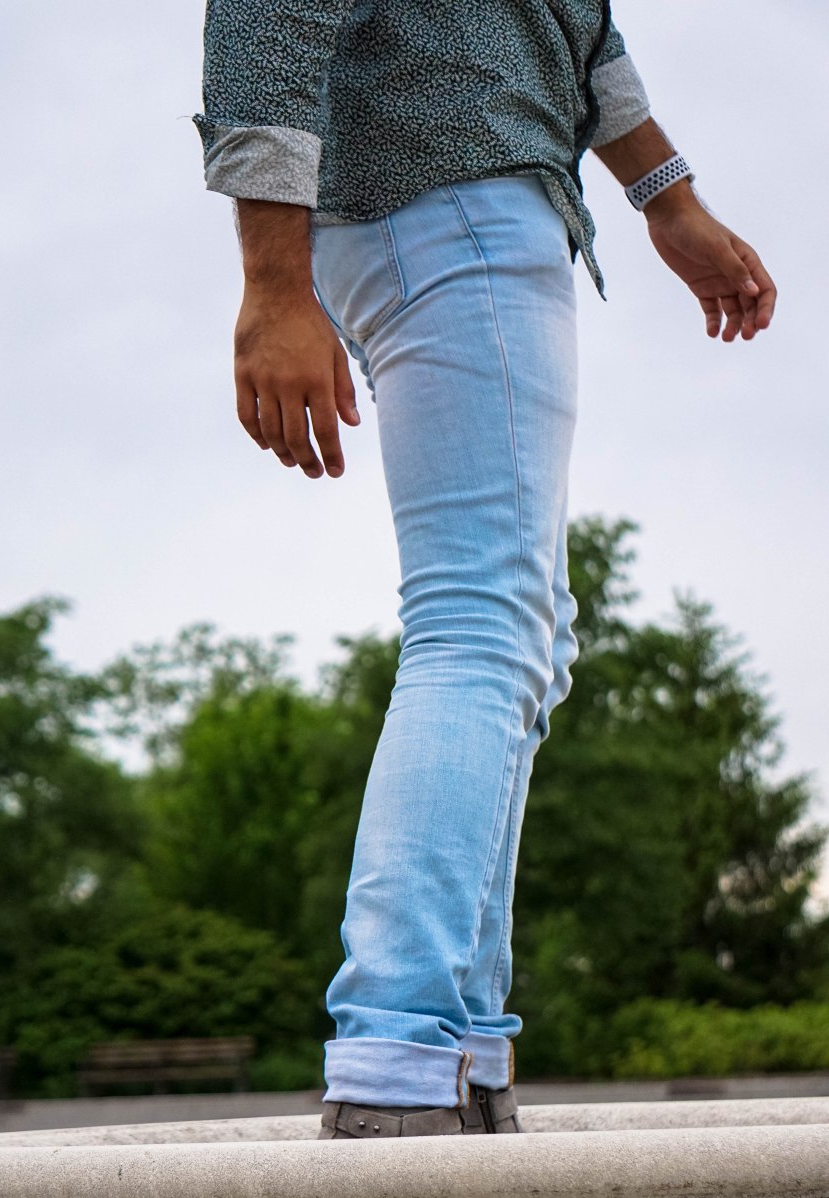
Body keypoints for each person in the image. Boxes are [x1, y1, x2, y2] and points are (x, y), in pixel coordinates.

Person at [190, 2, 777, 1140]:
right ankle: (399, 1046)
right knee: (479, 621)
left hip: (463, 204)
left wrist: (670, 199)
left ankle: (458, 1044)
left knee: (525, 633)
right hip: (445, 203)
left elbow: (575, 30)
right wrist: (270, 280)